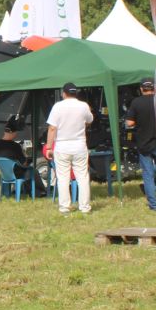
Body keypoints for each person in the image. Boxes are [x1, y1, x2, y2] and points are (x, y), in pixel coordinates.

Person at [123, 79, 156, 213]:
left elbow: (129, 123)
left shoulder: (136, 102)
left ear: (142, 89)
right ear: (154, 88)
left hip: (143, 144)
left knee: (148, 175)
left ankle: (154, 206)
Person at [45, 82, 95, 214]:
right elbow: (90, 120)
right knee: (82, 177)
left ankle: (64, 207)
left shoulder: (58, 106)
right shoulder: (83, 106)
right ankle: (84, 207)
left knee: (62, 177)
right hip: (79, 145)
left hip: (62, 146)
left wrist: (49, 146)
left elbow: (52, 128)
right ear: (76, 93)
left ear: (64, 93)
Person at [0, 121, 45, 196]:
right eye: (16, 133)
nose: (16, 135)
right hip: (16, 173)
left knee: (27, 171)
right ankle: (39, 192)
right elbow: (24, 162)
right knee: (32, 171)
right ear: (13, 132)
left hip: (4, 173)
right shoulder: (15, 146)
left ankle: (18, 190)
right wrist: (25, 156)